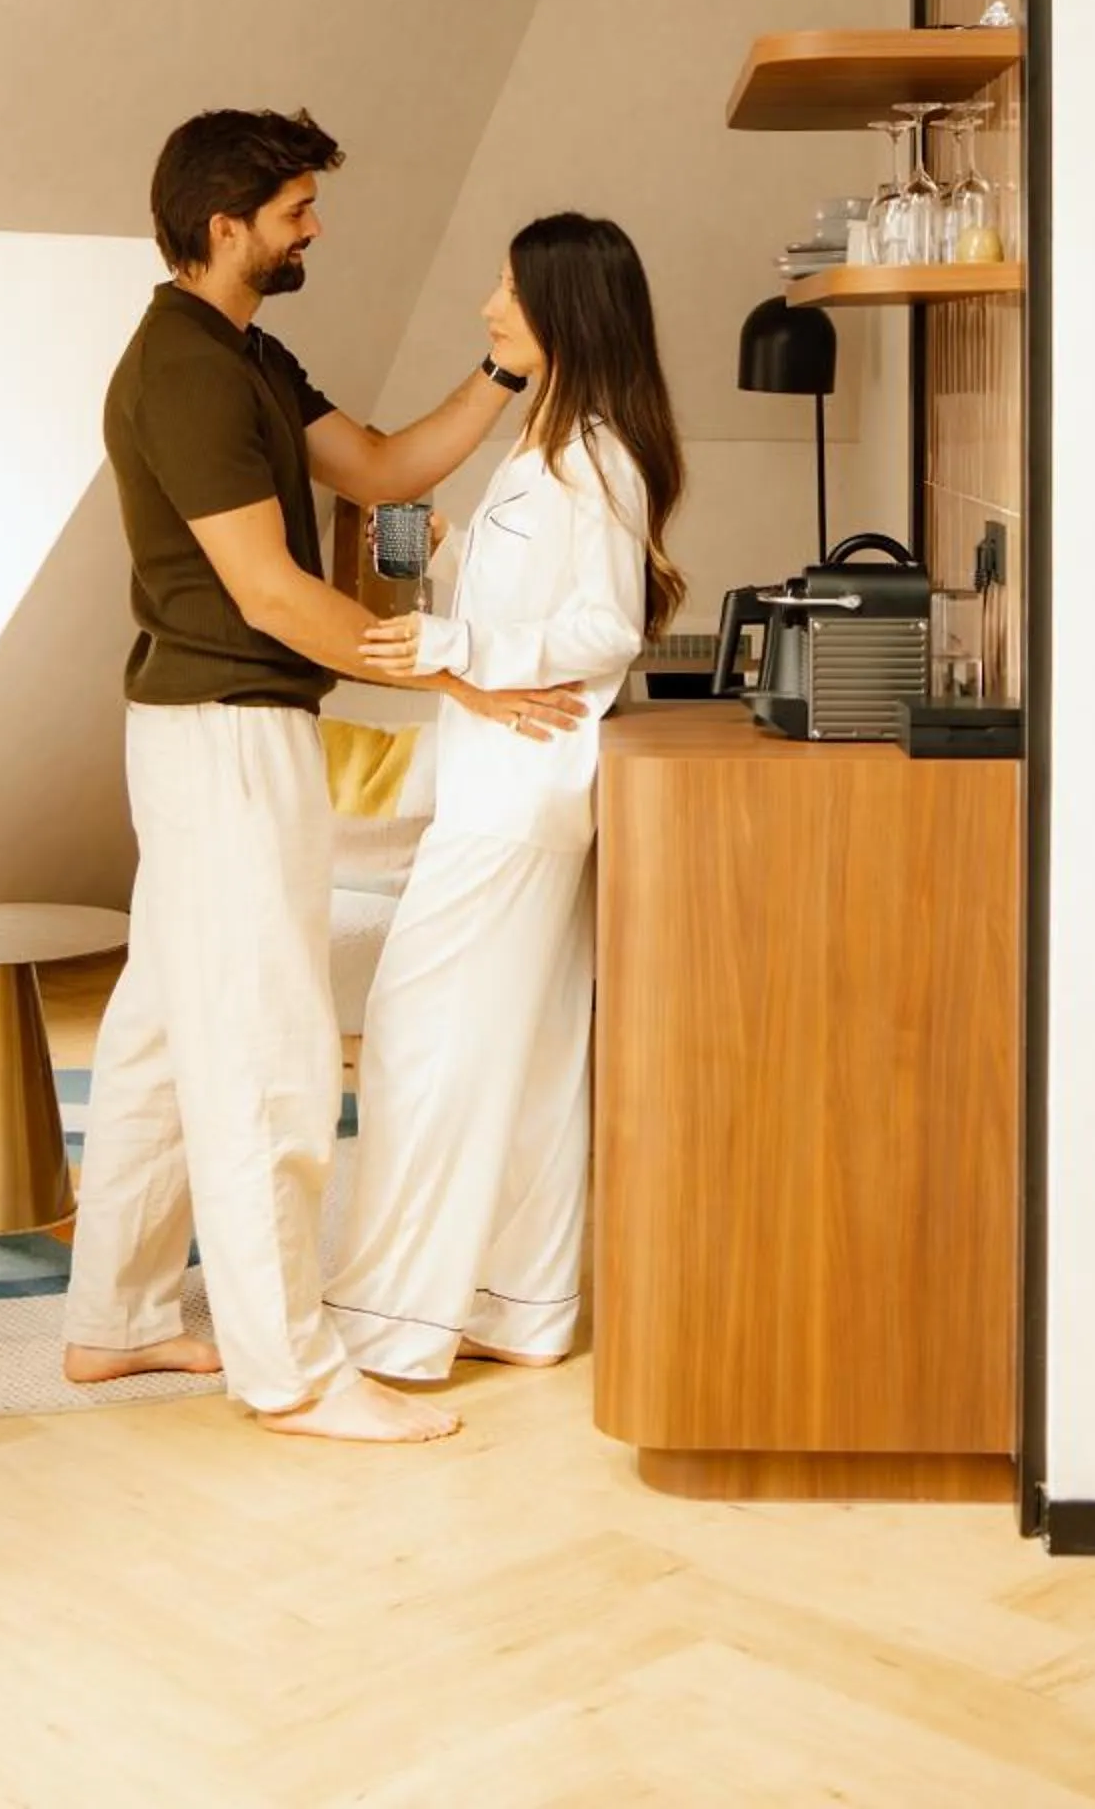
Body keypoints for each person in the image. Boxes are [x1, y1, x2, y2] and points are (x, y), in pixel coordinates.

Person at [60, 108, 587, 1445]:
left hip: (206, 730)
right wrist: (456, 676)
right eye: (295, 211)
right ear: (224, 225)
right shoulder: (179, 373)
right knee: (271, 1054)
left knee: (166, 1032)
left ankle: (113, 1319)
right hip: (228, 730)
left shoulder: (243, 351)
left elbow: (386, 463)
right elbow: (273, 595)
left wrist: (507, 369)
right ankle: (288, 1369)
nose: (313, 230)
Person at [325, 213, 684, 1381]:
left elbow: (607, 625)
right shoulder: (547, 444)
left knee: (421, 1040)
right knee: (522, 1054)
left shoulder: (598, 457)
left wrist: (464, 635)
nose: (488, 308)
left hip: (521, 798)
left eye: (509, 292)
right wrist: (444, 550)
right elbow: (544, 597)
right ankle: (517, 1306)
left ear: (565, 310)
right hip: (503, 788)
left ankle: (397, 1319)